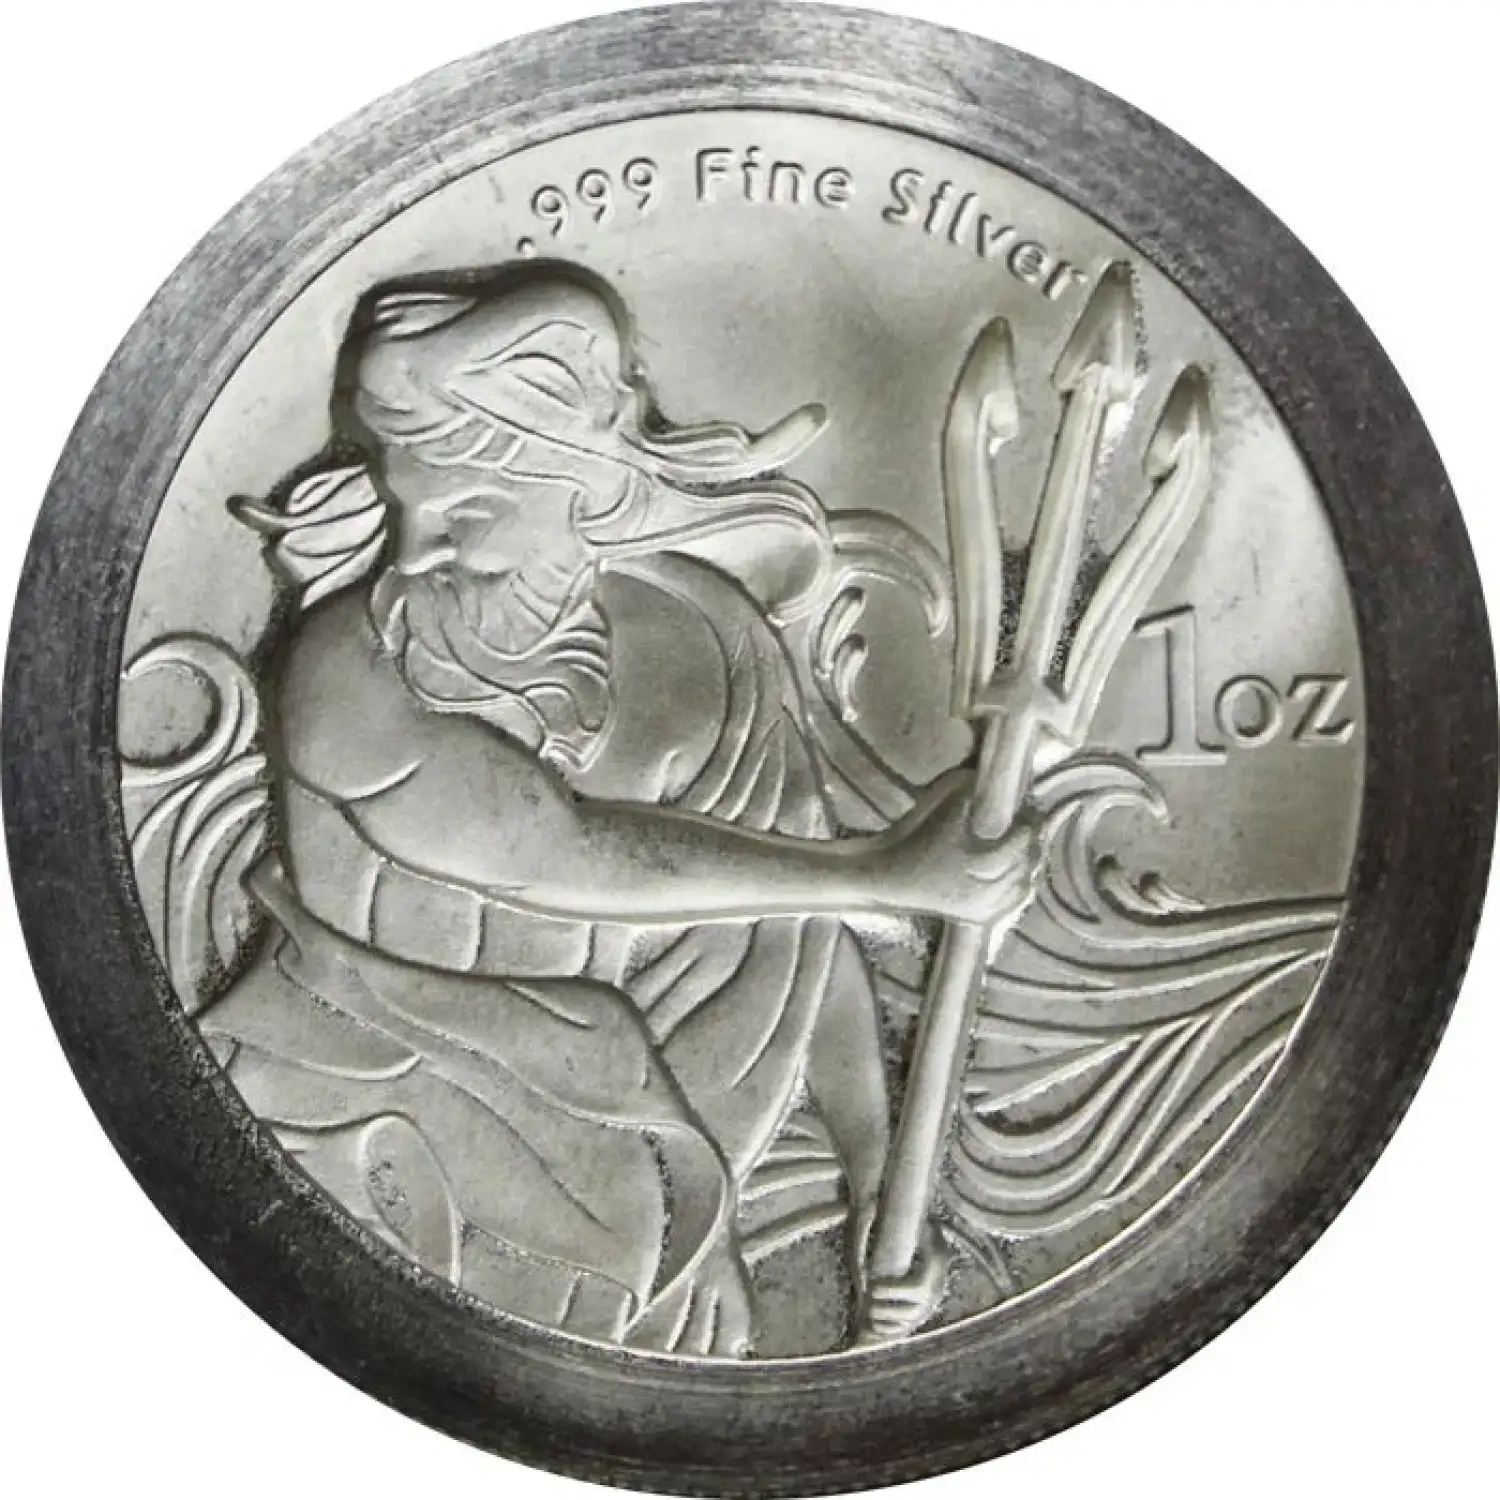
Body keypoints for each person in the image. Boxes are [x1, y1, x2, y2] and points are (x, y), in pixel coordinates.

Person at [199, 265, 1039, 1355]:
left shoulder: (703, 649)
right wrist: (883, 874)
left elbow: (785, 942)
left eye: (467, 511)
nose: (413, 550)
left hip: (637, 1201)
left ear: (582, 485)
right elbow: (543, 851)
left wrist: (877, 1176)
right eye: (402, 501)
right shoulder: (344, 662)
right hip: (341, 1154)